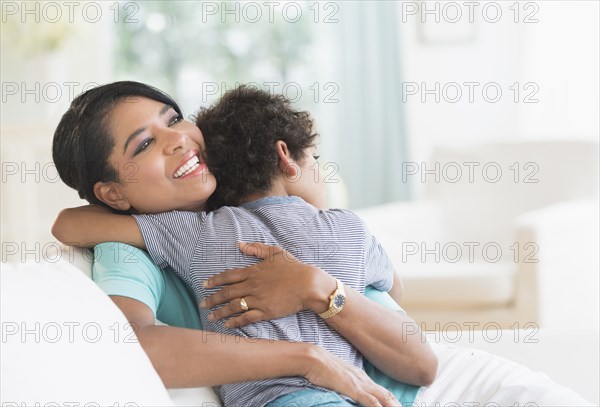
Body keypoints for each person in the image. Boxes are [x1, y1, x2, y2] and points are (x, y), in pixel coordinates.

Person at [53, 81, 593, 407]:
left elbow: (421, 356)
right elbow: (134, 345)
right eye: (145, 142)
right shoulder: (141, 245)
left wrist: (317, 288)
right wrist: (308, 357)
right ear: (111, 192)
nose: (175, 137)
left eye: (174, 119)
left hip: (428, 375)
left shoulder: (244, 208)